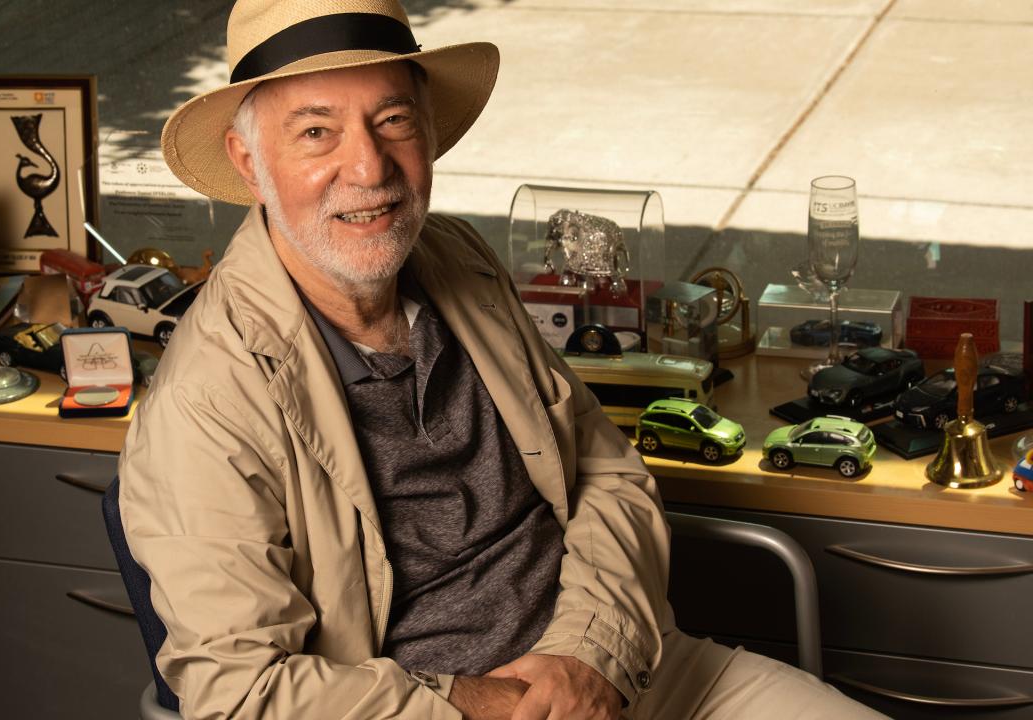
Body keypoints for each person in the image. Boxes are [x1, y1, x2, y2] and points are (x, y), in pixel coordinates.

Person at [119, 1, 886, 718]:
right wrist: (488, 703)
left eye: (393, 121)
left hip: (625, 667)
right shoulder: (206, 401)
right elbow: (243, 690)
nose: (370, 168)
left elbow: (609, 477)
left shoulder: (457, 259)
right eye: (316, 132)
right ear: (249, 163)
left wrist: (587, 658)